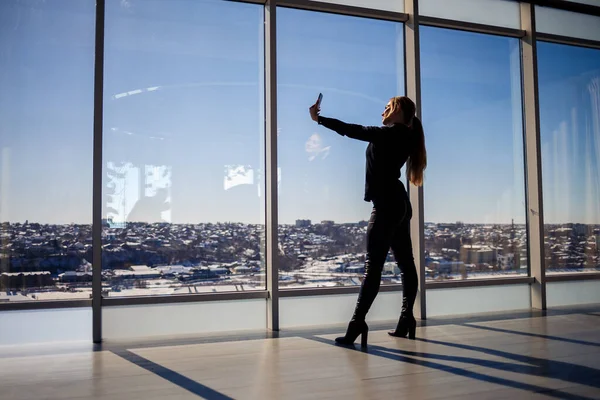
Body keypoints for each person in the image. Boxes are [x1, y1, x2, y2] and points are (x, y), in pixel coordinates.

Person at [308, 96, 427, 347]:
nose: (383, 110)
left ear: (399, 111)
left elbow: (353, 130)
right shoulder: (403, 135)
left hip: (386, 206)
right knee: (406, 265)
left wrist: (319, 120)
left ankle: (357, 324)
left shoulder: (392, 133)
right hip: (399, 204)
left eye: (388, 107)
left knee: (373, 268)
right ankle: (406, 318)